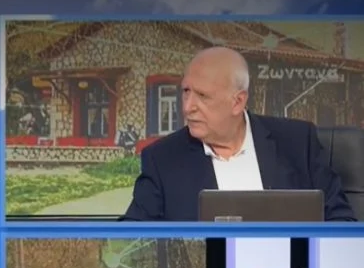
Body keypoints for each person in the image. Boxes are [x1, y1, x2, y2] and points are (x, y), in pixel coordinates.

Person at [121, 46, 356, 222]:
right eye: (185, 91)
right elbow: (132, 237)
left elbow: (341, 221)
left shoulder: (297, 142)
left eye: (202, 96)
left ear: (238, 102)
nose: (187, 107)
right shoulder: (163, 158)